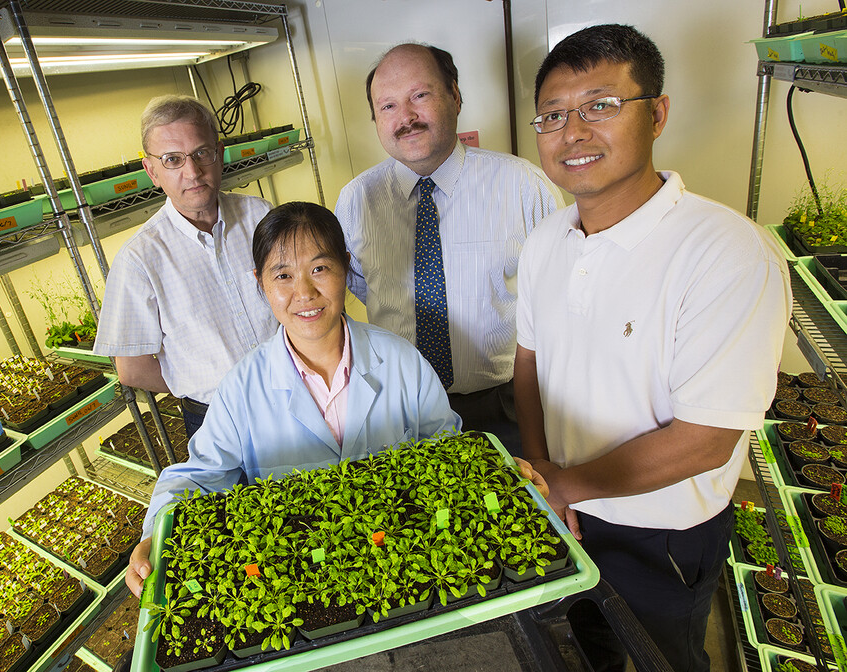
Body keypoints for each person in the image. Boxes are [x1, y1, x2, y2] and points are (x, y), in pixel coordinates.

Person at [515, 24, 791, 672]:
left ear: (658, 113)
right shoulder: (544, 242)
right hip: (565, 505)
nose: (573, 131)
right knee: (584, 648)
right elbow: (528, 366)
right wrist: (544, 477)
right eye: (553, 115)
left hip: (663, 536)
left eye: (600, 105)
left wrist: (565, 484)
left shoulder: (726, 253)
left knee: (665, 658)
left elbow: (706, 438)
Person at [124, 201, 547, 596]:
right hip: (300, 581)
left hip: (408, 560)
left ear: (345, 269)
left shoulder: (400, 360)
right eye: (283, 275)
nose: (304, 292)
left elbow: (449, 451)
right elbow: (198, 477)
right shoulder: (241, 388)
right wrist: (153, 536)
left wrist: (501, 472)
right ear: (260, 283)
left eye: (320, 268)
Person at [335, 42, 564, 456]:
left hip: (503, 408)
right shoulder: (356, 201)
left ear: (455, 96)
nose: (405, 118)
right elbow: (365, 288)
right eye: (387, 106)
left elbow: (559, 298)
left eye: (419, 96)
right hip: (399, 410)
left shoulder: (523, 187)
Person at [94, 95, 277, 439]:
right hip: (219, 422)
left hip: (295, 392)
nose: (192, 172)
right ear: (152, 171)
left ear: (219, 154)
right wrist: (197, 382)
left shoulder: (260, 216)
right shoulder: (140, 260)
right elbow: (132, 369)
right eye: (173, 160)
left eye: (201, 153)